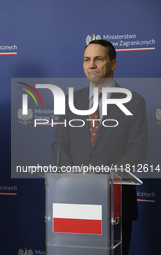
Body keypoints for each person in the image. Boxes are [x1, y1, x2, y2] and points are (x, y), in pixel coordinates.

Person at [51, 40, 148, 255]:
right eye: (87, 60)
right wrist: (72, 173)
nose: (91, 65)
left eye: (98, 59)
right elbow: (59, 144)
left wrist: (101, 177)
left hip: (116, 201)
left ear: (113, 64)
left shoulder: (134, 101)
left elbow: (137, 148)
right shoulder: (70, 101)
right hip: (75, 201)